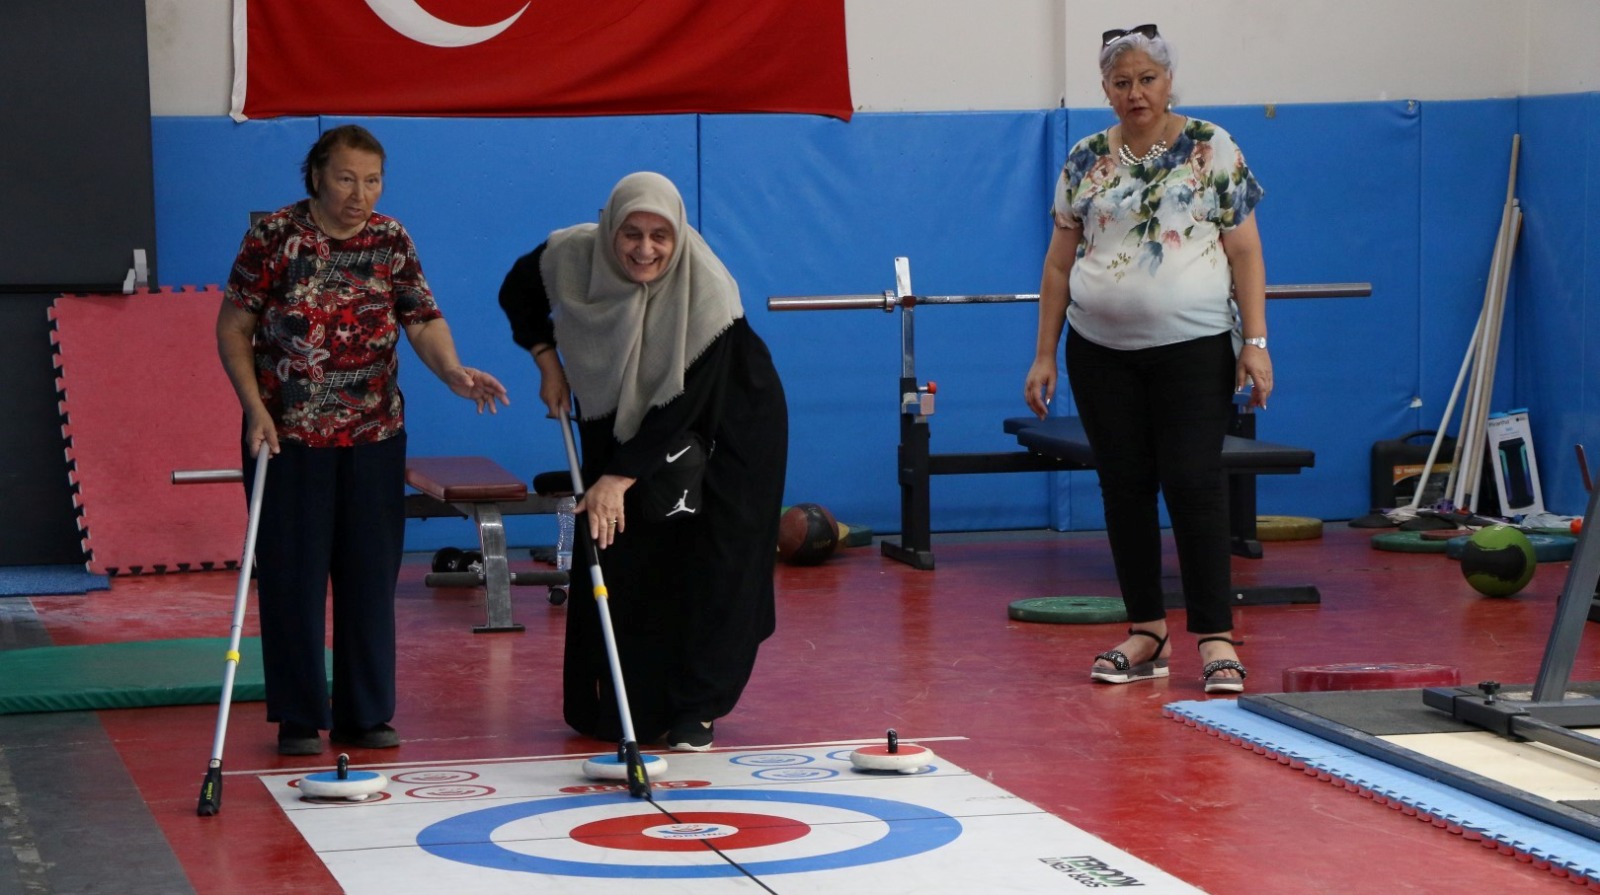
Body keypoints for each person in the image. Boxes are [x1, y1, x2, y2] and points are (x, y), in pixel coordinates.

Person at [217, 124, 510, 755]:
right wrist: (252, 408)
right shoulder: (274, 236)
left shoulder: (391, 239)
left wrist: (452, 370)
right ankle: (299, 715)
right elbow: (234, 327)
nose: (360, 194)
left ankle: (365, 713)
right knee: (293, 579)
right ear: (317, 174)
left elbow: (422, 316)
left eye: (372, 180)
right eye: (347, 178)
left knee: (370, 577)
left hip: (374, 435)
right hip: (288, 437)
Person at [498, 172, 788, 751]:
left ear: (679, 237)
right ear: (611, 227)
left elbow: (684, 404)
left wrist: (618, 477)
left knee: (710, 559)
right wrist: (547, 361)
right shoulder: (573, 254)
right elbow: (517, 290)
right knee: (624, 547)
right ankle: (625, 700)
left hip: (726, 422)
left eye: (661, 236)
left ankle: (697, 708)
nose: (645, 249)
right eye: (631, 233)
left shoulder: (708, 291)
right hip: (623, 413)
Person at [1023, 24, 1269, 695]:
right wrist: (1044, 353)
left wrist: (1256, 342)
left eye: (1147, 79)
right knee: (1123, 488)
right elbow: (1056, 265)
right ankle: (1147, 631)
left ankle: (1216, 636)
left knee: (1192, 481)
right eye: (1122, 82)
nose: (1136, 93)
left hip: (1193, 350)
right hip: (1099, 355)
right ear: (1105, 90)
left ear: (1168, 82)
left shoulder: (1211, 148)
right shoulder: (1083, 159)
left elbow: (1245, 252)